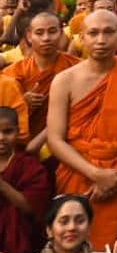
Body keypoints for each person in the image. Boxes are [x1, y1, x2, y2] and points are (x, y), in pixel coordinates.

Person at [45, 10, 117, 253]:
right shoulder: (64, 80)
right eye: (93, 33)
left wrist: (115, 174)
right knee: (71, 239)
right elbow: (55, 139)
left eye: (108, 32)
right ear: (81, 38)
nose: (101, 40)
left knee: (113, 249)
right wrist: (96, 174)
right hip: (76, 170)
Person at [4, 11, 78, 158]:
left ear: (61, 33)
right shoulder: (12, 73)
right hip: (23, 146)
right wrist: (22, 103)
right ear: (29, 36)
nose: (46, 38)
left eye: (52, 31)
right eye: (39, 33)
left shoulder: (77, 68)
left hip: (70, 142)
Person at [0, 105, 52, 253]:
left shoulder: (29, 165)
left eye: (8, 131)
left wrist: (2, 185)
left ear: (18, 131)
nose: (1, 137)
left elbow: (31, 206)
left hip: (23, 240)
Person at [18, 194, 117, 253]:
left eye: (80, 221)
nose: (72, 227)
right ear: (49, 230)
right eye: (64, 222)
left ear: (89, 228)